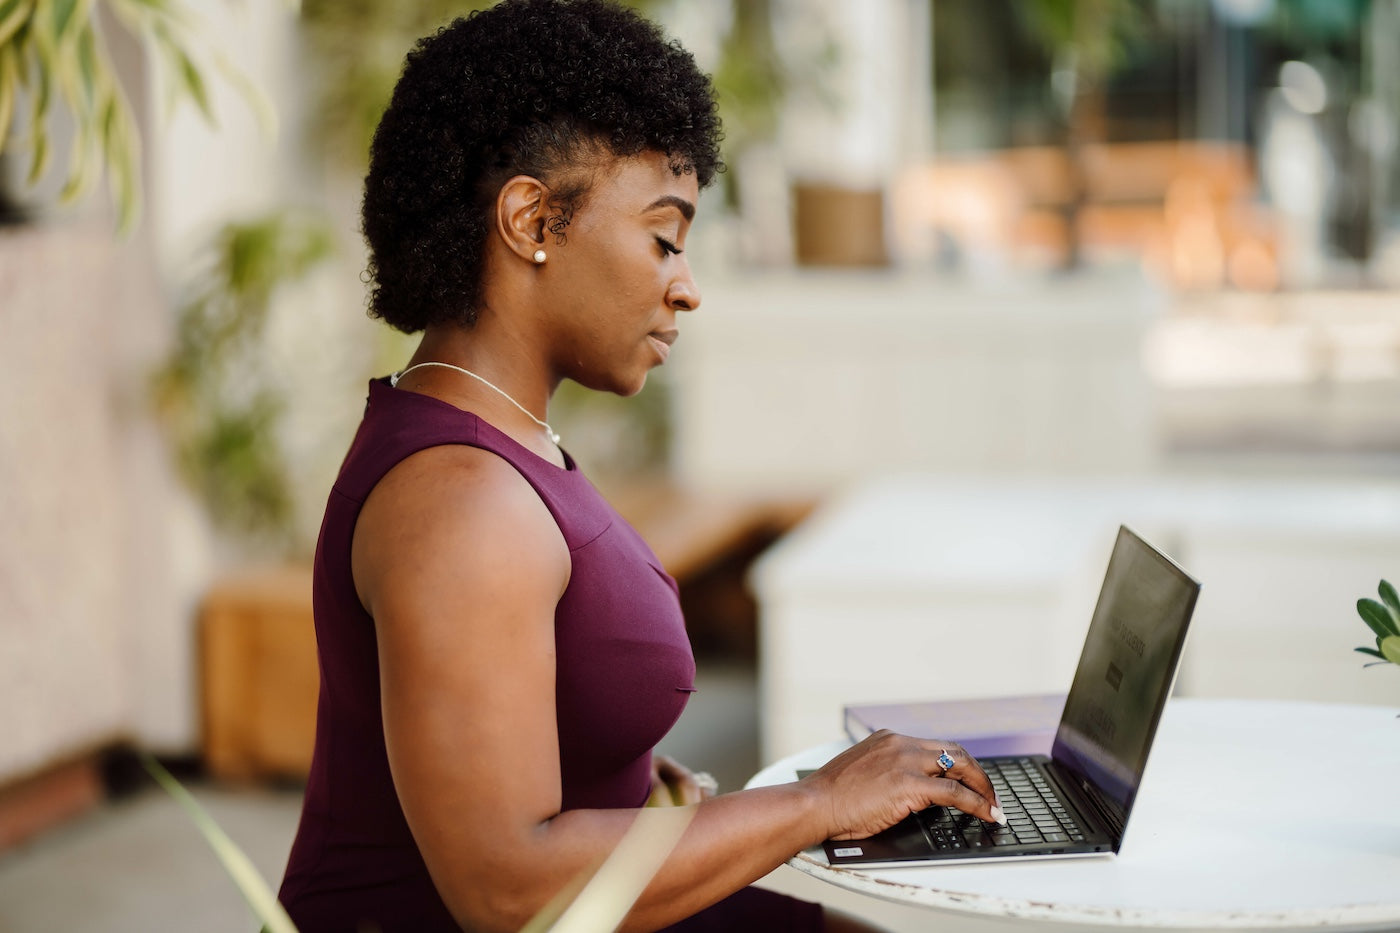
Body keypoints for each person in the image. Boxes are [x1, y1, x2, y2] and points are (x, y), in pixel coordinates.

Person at [276, 2, 1003, 930]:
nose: (686, 284)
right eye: (665, 236)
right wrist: (815, 804)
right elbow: (509, 891)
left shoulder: (504, 440)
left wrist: (623, 783)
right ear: (533, 218)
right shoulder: (461, 503)